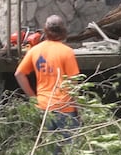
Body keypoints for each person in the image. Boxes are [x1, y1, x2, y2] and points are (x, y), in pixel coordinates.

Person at [14, 15, 81, 143]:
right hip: (65, 107)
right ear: (63, 31)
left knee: (47, 150)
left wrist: (33, 97)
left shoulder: (35, 50)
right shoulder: (67, 52)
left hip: (44, 106)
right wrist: (78, 108)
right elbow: (74, 84)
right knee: (69, 152)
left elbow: (19, 74)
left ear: (45, 30)